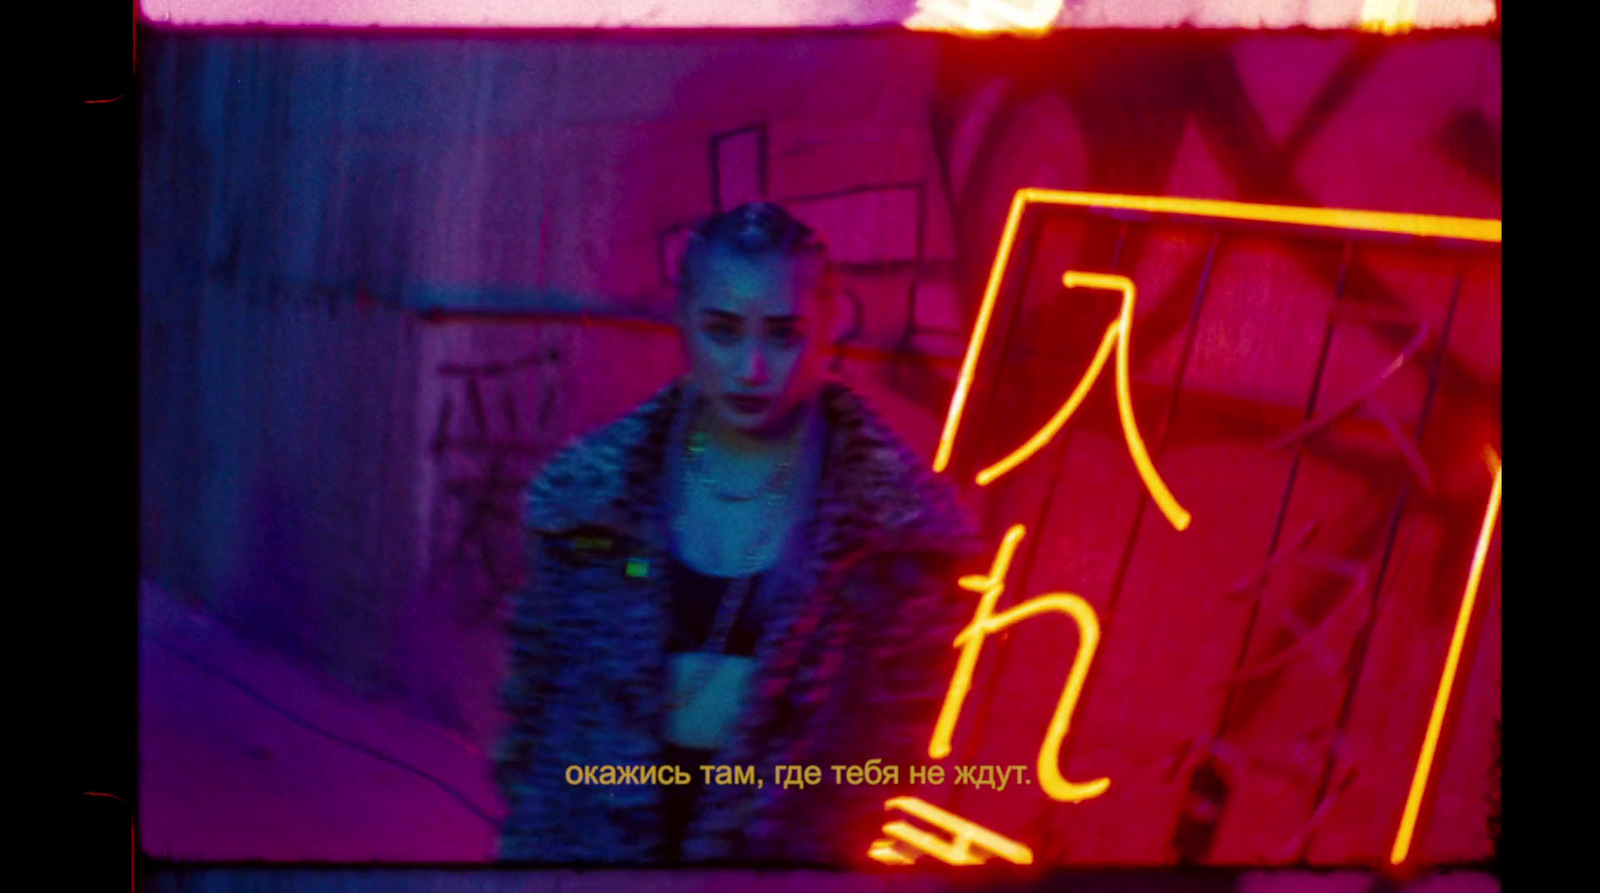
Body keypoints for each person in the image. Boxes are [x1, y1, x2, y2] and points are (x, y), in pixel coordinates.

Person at [495, 202, 981, 865]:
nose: (751, 367)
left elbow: (888, 748)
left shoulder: (897, 536)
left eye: (783, 334)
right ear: (684, 323)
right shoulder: (586, 505)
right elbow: (533, 711)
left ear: (828, 330)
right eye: (723, 331)